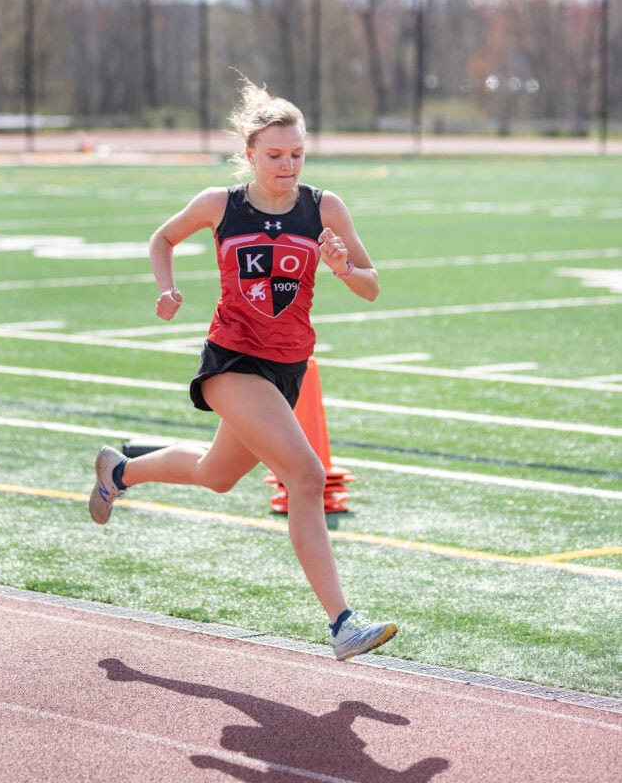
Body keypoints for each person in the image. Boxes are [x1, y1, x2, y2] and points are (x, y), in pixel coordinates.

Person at [89, 77, 398, 662]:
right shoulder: (220, 204)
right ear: (250, 155)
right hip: (232, 361)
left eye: (297, 154)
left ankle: (119, 472)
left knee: (216, 474)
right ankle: (342, 624)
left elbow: (372, 287)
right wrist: (168, 288)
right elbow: (163, 238)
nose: (287, 165)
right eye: (275, 155)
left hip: (287, 367)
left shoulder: (324, 207)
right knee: (306, 476)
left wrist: (341, 268)